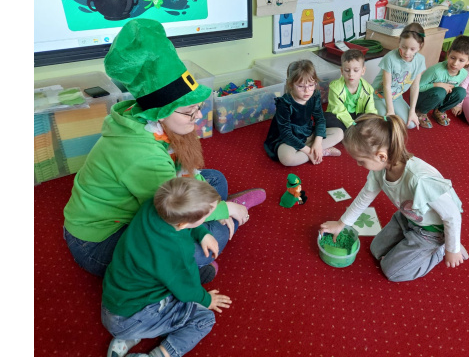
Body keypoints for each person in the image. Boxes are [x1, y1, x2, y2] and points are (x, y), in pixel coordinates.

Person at [63, 18, 266, 278]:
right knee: (200, 244)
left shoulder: (148, 120)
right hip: (98, 243)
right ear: (160, 113)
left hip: (142, 206)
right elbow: (171, 210)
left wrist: (216, 208)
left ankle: (220, 219)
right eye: (188, 111)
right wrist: (225, 211)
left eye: (198, 107)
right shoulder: (141, 154)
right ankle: (221, 230)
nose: (197, 117)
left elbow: (186, 177)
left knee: (216, 179)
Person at [320, 114, 468, 282]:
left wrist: (452, 249)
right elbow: (364, 197)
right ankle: (409, 242)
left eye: (361, 161)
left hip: (430, 233)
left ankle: (440, 249)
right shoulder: (380, 169)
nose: (358, 165)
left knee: (392, 271)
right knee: (376, 250)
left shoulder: (420, 180)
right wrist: (341, 224)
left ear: (381, 156)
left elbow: (452, 215)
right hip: (406, 218)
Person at [101, 177, 233, 357]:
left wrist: (202, 233)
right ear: (183, 224)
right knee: (204, 319)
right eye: (206, 216)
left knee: (168, 284)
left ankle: (131, 336)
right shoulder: (178, 251)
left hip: (115, 302)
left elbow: (183, 220)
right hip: (132, 318)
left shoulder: (153, 206)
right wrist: (207, 300)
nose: (208, 217)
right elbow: (187, 291)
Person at [264, 60, 344, 166]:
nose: (307, 91)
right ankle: (321, 152)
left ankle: (316, 149)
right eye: (301, 86)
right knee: (287, 159)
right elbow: (286, 134)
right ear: (291, 84)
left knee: (339, 133)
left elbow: (320, 119)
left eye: (311, 85)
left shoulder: (314, 95)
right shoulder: (284, 103)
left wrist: (318, 143)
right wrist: (308, 151)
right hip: (286, 139)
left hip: (306, 132)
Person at [371, 22, 427, 129]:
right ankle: (368, 107)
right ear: (399, 41)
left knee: (410, 124)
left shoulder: (420, 60)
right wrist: (390, 111)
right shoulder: (390, 58)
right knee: (387, 123)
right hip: (378, 96)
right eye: (404, 47)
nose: (407, 52)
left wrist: (412, 111)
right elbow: (386, 86)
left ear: (420, 46)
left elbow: (415, 86)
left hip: (396, 97)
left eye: (412, 49)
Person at [416, 35, 469, 128]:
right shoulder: (436, 71)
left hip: (439, 98)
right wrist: (437, 84)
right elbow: (417, 87)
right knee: (440, 91)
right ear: (448, 54)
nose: (455, 63)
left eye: (461, 60)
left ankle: (439, 111)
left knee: (461, 92)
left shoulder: (464, 73)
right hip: (421, 97)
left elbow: (454, 87)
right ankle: (420, 112)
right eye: (453, 58)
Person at [324, 49, 378, 131]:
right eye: (347, 70)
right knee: (326, 118)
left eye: (356, 70)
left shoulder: (368, 89)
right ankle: (352, 131)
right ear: (342, 71)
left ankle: (351, 132)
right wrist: (352, 125)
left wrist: (371, 123)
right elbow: (339, 111)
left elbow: (370, 110)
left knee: (371, 120)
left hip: (357, 115)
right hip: (339, 116)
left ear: (363, 71)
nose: (351, 74)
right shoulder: (334, 88)